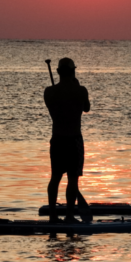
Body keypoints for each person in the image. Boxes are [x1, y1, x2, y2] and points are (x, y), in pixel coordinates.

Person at [44, 57, 90, 223]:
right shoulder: (81, 91)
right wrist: (76, 86)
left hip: (57, 140)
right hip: (74, 140)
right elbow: (87, 108)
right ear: (73, 71)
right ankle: (70, 215)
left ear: (57, 72)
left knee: (55, 177)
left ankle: (53, 215)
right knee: (72, 179)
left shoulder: (49, 92)